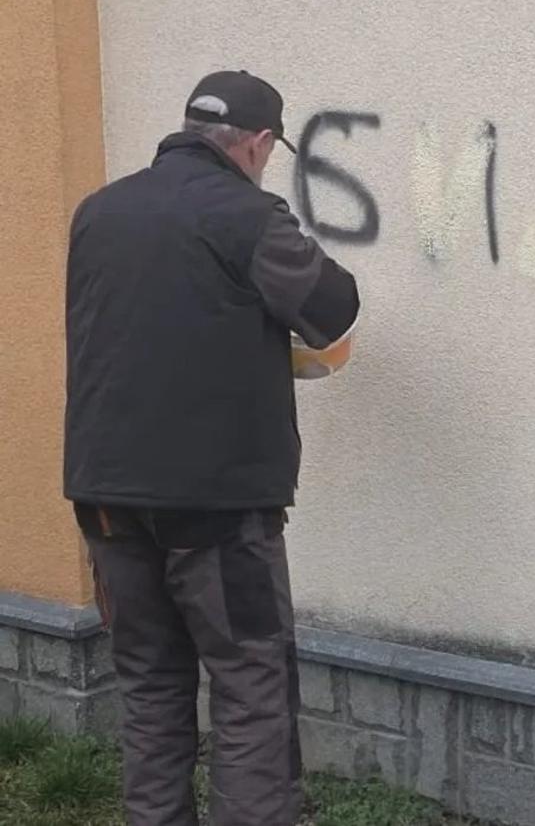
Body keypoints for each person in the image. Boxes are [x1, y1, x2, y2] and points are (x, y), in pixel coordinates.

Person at [63, 70, 359, 826]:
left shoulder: (99, 212)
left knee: (150, 686)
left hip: (106, 499)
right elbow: (332, 309)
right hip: (218, 510)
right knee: (250, 691)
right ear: (257, 143)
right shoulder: (247, 216)